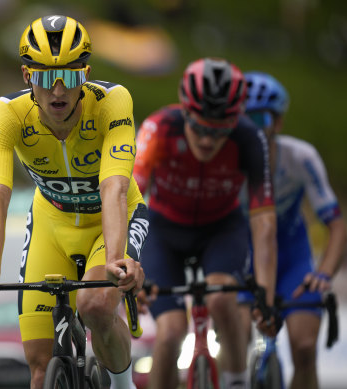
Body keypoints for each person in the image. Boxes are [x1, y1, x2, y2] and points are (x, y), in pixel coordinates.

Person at [0, 15, 149, 389]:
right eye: (46, 77)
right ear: (27, 76)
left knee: (94, 305)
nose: (58, 91)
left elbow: (113, 187)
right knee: (37, 366)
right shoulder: (7, 113)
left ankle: (123, 384)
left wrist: (116, 261)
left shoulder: (112, 101)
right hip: (52, 223)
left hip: (110, 221)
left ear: (87, 74)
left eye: (70, 76)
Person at [133, 57, 279, 389]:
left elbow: (264, 223)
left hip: (221, 229)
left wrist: (265, 298)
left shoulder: (249, 138)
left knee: (221, 299)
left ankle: (236, 380)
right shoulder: (159, 128)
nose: (208, 141)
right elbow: (129, 201)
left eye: (220, 130)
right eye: (200, 127)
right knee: (169, 332)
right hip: (164, 231)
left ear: (236, 121)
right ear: (185, 111)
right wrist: (127, 265)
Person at [240, 71, 347, 389]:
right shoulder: (224, 161)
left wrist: (325, 272)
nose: (254, 127)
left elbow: (337, 227)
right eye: (246, 118)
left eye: (261, 117)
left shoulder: (301, 157)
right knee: (233, 343)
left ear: (279, 123)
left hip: (293, 259)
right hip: (243, 259)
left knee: (303, 348)